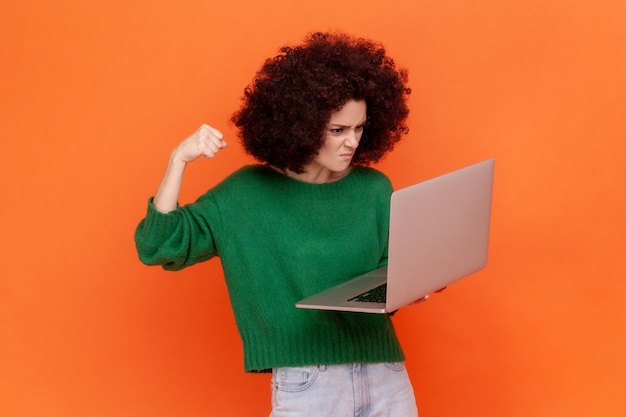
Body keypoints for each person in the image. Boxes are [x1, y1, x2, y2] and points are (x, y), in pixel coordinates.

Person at [135, 31, 417, 416]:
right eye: (337, 130)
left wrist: (408, 286)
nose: (351, 141)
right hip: (309, 382)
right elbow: (159, 246)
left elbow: (387, 274)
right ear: (300, 124)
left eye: (359, 128)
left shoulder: (374, 190)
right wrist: (177, 160)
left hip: (386, 375)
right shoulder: (246, 195)